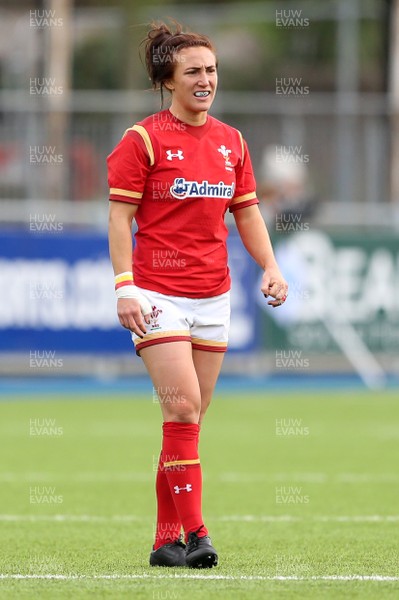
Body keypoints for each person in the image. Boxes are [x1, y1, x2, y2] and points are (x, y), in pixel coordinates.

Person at [107, 20, 288, 569]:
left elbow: (247, 211)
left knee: (187, 423)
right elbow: (120, 217)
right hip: (158, 294)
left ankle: (165, 542)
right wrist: (125, 288)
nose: (205, 79)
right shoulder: (142, 139)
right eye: (193, 71)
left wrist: (271, 266)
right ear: (169, 80)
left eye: (211, 69)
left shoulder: (232, 142)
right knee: (182, 408)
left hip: (215, 296)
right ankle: (199, 534)